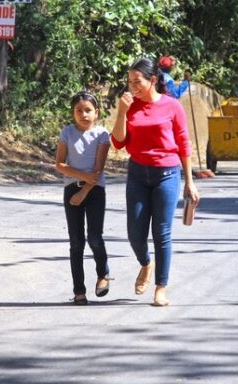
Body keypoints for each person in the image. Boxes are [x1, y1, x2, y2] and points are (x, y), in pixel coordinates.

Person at [112, 57, 200, 307]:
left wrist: (189, 182)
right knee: (135, 234)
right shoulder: (130, 106)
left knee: (162, 233)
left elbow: (184, 144)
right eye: (129, 82)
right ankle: (146, 263)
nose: (132, 86)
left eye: (137, 81)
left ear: (152, 80)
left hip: (167, 174)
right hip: (138, 174)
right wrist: (121, 112)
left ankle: (161, 288)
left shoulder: (172, 106)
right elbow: (118, 142)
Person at [54, 91, 111, 305]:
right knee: (76, 243)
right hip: (71, 189)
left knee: (94, 238)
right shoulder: (67, 132)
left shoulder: (102, 135)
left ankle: (103, 274)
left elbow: (98, 170)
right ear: (73, 113)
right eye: (79, 110)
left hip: (94, 191)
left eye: (88, 110)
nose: (83, 114)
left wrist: (84, 189)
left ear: (96, 112)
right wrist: (80, 180)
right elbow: (59, 164)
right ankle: (79, 291)